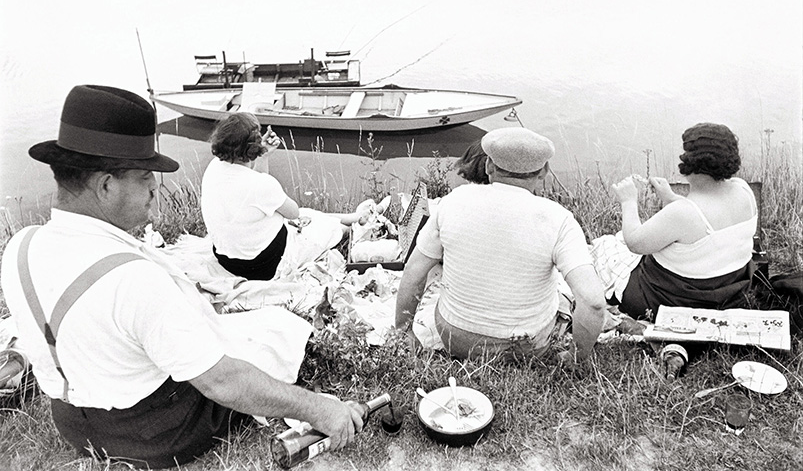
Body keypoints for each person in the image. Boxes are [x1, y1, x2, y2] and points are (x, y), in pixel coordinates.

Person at [0, 86, 364, 469]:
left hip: (72, 423)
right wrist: (321, 409)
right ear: (106, 186)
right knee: (275, 331)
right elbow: (221, 382)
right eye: (144, 177)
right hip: (153, 432)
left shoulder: (21, 246)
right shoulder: (134, 278)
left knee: (249, 331)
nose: (155, 188)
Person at [395, 128, 607, 363]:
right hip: (527, 347)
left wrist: (404, 331)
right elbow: (594, 302)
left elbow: (414, 271)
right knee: (563, 296)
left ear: (489, 167)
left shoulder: (453, 201)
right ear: (544, 172)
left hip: (455, 338)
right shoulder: (559, 219)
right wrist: (577, 356)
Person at [610, 123, 757, 379]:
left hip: (673, 298)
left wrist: (628, 201)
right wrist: (668, 196)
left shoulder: (683, 214)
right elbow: (702, 220)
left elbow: (634, 241)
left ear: (690, 161)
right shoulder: (743, 191)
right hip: (730, 291)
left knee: (610, 246)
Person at [201, 112, 368, 281]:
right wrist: (261, 153)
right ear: (253, 146)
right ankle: (354, 225)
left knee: (306, 215)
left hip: (228, 261)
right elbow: (293, 213)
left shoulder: (214, 168)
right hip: (264, 265)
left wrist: (263, 155)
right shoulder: (261, 184)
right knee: (316, 223)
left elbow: (256, 190)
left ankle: (354, 217)